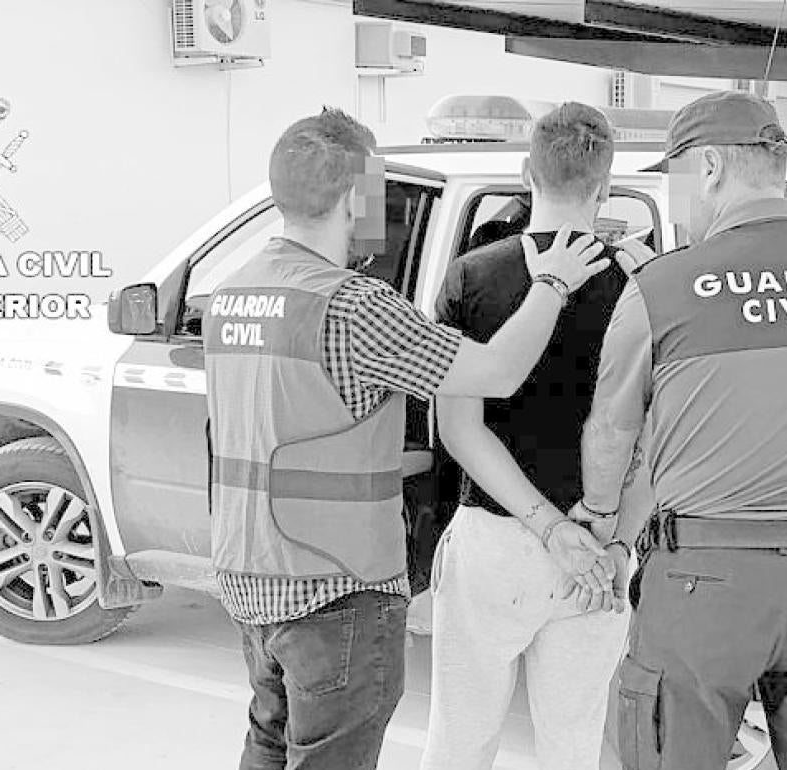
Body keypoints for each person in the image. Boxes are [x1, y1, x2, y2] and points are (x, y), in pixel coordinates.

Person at [201, 107, 617, 770]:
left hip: (251, 576)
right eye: (381, 194)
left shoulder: (233, 294)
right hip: (335, 586)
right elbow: (497, 371)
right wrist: (552, 282)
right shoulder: (354, 306)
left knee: (271, 745)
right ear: (354, 198)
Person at [578, 90, 787, 770]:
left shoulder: (661, 287)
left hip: (707, 583)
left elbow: (612, 430)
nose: (677, 203)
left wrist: (601, 518)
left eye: (675, 178)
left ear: (710, 167)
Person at [420, 102, 649, 770]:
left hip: (495, 539)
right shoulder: (643, 284)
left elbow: (458, 429)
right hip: (601, 545)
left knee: (458, 744)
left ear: (527, 174)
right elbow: (656, 437)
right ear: (606, 187)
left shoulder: (473, 276)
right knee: (572, 748)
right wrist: (618, 542)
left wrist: (547, 528)